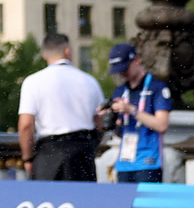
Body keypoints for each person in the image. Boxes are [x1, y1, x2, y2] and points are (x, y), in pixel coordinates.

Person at [18, 33, 106, 181]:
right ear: (67, 51)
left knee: (48, 195)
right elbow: (100, 121)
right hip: (82, 152)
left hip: (49, 154)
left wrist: (28, 158)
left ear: (44, 55)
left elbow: (26, 126)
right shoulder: (89, 81)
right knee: (83, 195)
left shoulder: (33, 82)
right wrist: (91, 146)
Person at [105, 42, 173, 183]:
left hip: (149, 161)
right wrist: (110, 119)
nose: (122, 73)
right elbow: (119, 131)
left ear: (137, 60)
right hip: (124, 162)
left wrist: (131, 110)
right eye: (119, 70)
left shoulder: (157, 87)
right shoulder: (120, 91)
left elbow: (162, 125)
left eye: (125, 68)